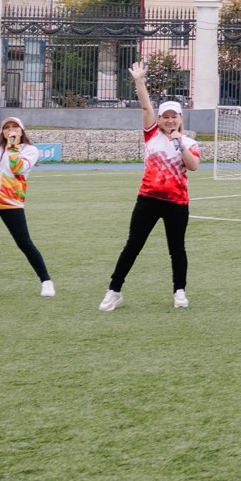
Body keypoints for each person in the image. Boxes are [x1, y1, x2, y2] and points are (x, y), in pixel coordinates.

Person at [101, 61, 199, 311]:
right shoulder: (151, 136)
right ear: (159, 119)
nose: (169, 121)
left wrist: (181, 143)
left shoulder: (188, 141)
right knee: (133, 245)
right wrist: (139, 80)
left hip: (177, 203)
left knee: (176, 248)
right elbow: (145, 106)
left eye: (173, 117)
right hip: (148, 200)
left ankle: (179, 291)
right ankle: (114, 291)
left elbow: (193, 166)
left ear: (180, 118)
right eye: (165, 117)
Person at [0, 100, 53, 298]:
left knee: (24, 242)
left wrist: (13, 148)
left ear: (22, 131)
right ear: (2, 132)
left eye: (15, 127)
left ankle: (46, 281)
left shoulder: (30, 151)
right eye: (7, 128)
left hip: (11, 204)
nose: (10, 130)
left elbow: (17, 168)